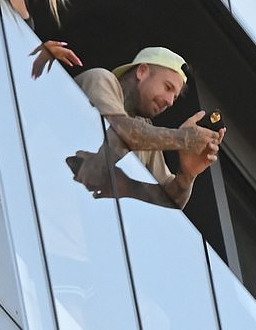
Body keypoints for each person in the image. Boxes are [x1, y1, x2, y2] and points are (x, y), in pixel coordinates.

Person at [69, 47, 226, 209]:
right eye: (168, 87)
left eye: (175, 97)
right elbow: (122, 130)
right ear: (142, 71)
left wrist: (187, 174)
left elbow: (173, 200)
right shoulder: (101, 78)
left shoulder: (143, 130)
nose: (170, 101)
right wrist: (183, 138)